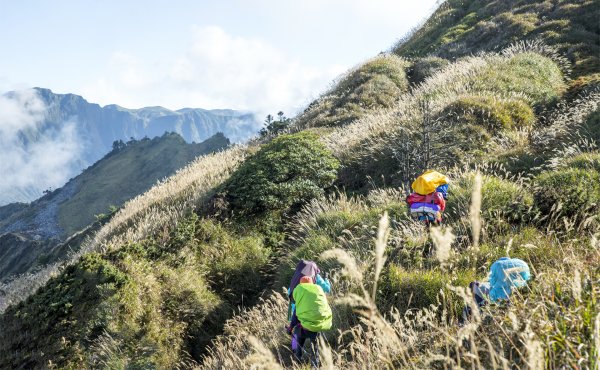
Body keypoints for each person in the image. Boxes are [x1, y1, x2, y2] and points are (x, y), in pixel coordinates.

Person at [462, 257, 531, 321]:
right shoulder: (516, 265)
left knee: (478, 291)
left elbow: (492, 294)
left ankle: (470, 314)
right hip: (520, 279)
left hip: (494, 307)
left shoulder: (497, 270)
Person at [287, 276, 332, 364]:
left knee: (298, 340)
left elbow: (295, 317)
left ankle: (297, 358)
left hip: (302, 326)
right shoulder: (317, 294)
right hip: (315, 327)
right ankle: (315, 363)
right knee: (314, 347)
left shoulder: (299, 296)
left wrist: (290, 328)